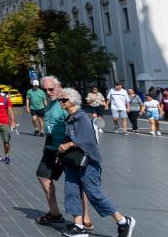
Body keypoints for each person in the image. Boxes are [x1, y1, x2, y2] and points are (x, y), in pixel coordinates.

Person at [56, 87, 136, 237]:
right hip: (72, 162)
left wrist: (68, 145)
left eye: (64, 100)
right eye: (60, 100)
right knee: (71, 192)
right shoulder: (70, 118)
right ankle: (79, 226)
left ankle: (123, 221)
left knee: (94, 194)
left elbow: (88, 140)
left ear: (73, 101)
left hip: (88, 162)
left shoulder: (81, 117)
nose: (61, 102)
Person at [34, 76, 90, 228]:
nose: (48, 92)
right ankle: (55, 213)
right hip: (52, 146)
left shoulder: (65, 103)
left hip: (66, 148)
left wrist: (66, 147)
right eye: (45, 90)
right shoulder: (51, 103)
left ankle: (85, 218)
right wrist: (47, 143)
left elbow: (76, 125)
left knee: (76, 181)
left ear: (59, 87)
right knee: (43, 175)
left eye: (51, 89)